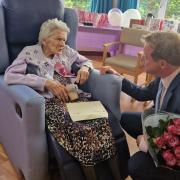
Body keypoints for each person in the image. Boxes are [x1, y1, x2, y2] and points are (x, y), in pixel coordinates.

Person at [4, 19, 117, 180]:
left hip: (74, 98)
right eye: (58, 39)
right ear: (44, 39)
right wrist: (45, 82)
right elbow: (10, 75)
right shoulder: (30, 52)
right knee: (81, 129)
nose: (63, 43)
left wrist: (85, 67)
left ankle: (114, 173)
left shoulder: (67, 51)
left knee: (101, 119)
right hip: (52, 102)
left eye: (64, 39)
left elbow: (86, 61)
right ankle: (91, 174)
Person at [100, 31, 180, 180]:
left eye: (146, 56)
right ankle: (153, 156)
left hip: (175, 146)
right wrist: (118, 76)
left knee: (135, 166)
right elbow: (142, 94)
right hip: (162, 125)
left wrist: (145, 142)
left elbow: (176, 144)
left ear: (162, 63)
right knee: (126, 118)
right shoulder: (166, 75)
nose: (141, 57)